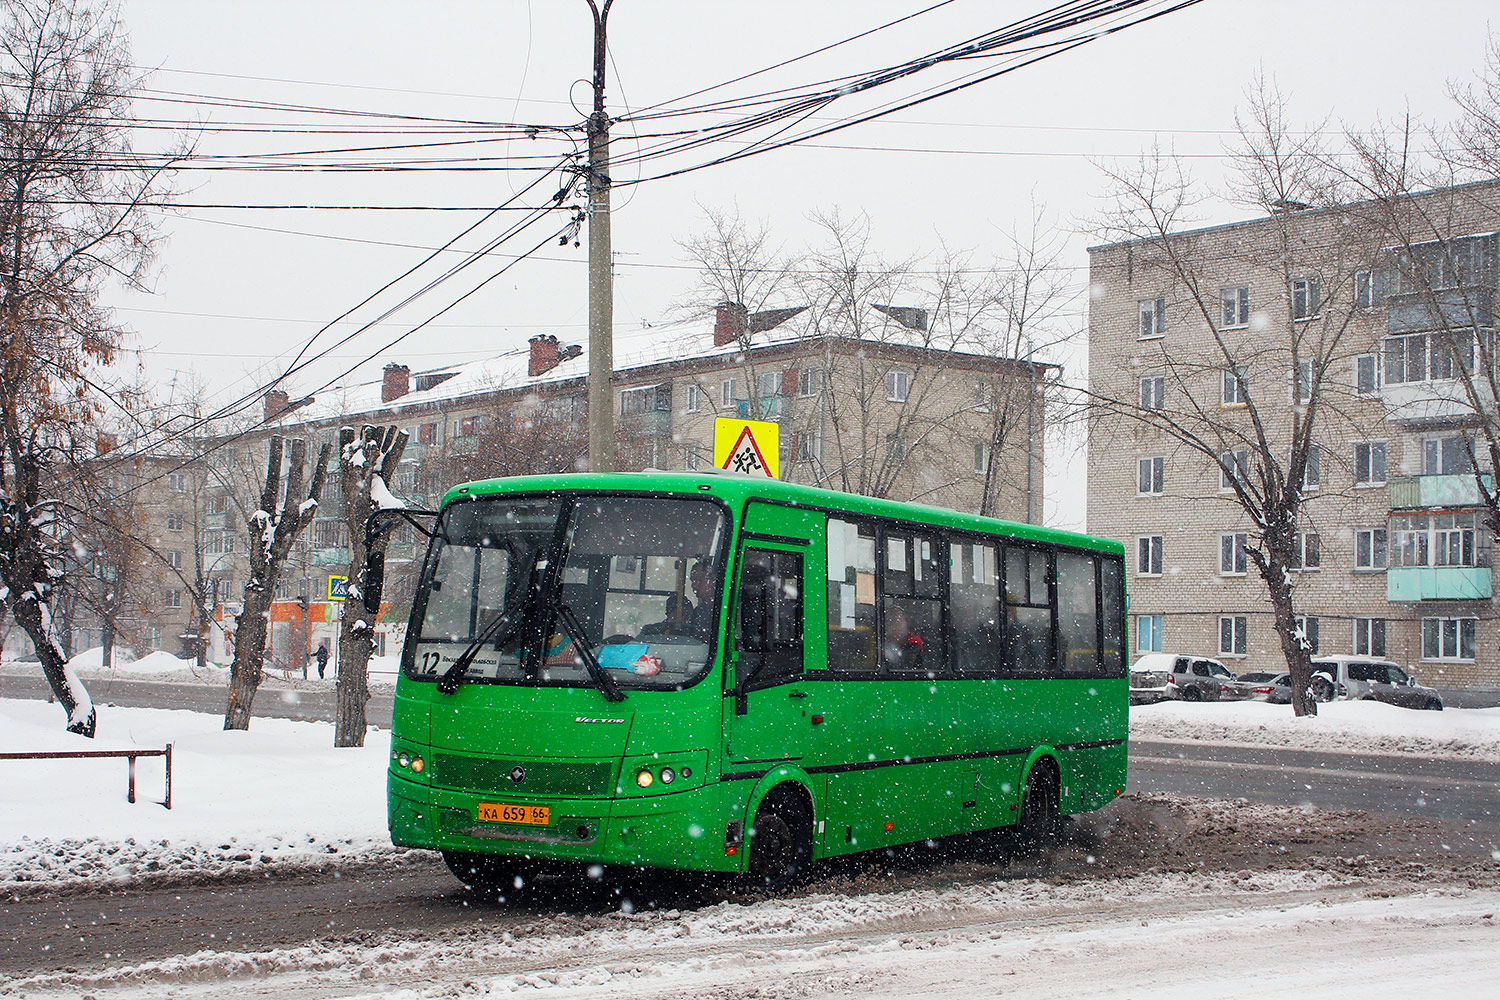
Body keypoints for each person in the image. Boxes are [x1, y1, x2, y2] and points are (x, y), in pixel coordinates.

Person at [883, 605, 924, 671]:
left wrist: (889, 657)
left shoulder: (913, 646)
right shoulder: (882, 643)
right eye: (892, 622)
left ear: (906, 626)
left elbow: (904, 670)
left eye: (899, 622)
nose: (895, 627)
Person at [686, 562, 717, 638]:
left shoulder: (731, 607)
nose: (693, 585)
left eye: (697, 579)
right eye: (692, 580)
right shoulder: (698, 612)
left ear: (713, 579)